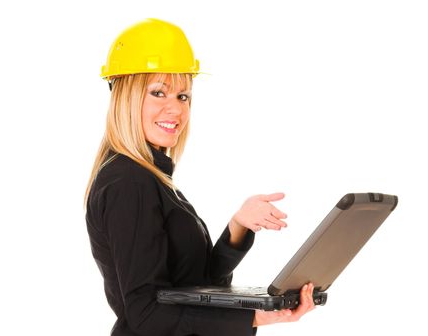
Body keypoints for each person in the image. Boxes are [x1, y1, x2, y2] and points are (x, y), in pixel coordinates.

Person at [85, 18, 316, 336]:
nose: (175, 109)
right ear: (124, 96)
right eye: (158, 92)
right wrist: (254, 317)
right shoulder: (129, 183)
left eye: (183, 96)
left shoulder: (152, 180)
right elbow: (146, 313)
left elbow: (196, 287)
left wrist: (238, 226)